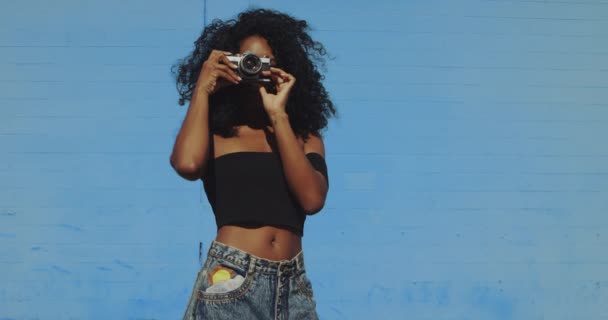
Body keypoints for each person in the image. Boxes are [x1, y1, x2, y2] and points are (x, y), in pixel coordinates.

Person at [169, 8, 338, 319]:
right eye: (246, 61)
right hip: (230, 279)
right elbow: (187, 164)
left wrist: (278, 115)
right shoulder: (218, 134)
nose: (253, 70)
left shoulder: (303, 137)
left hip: (294, 286)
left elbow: (312, 199)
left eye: (264, 63)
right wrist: (204, 88)